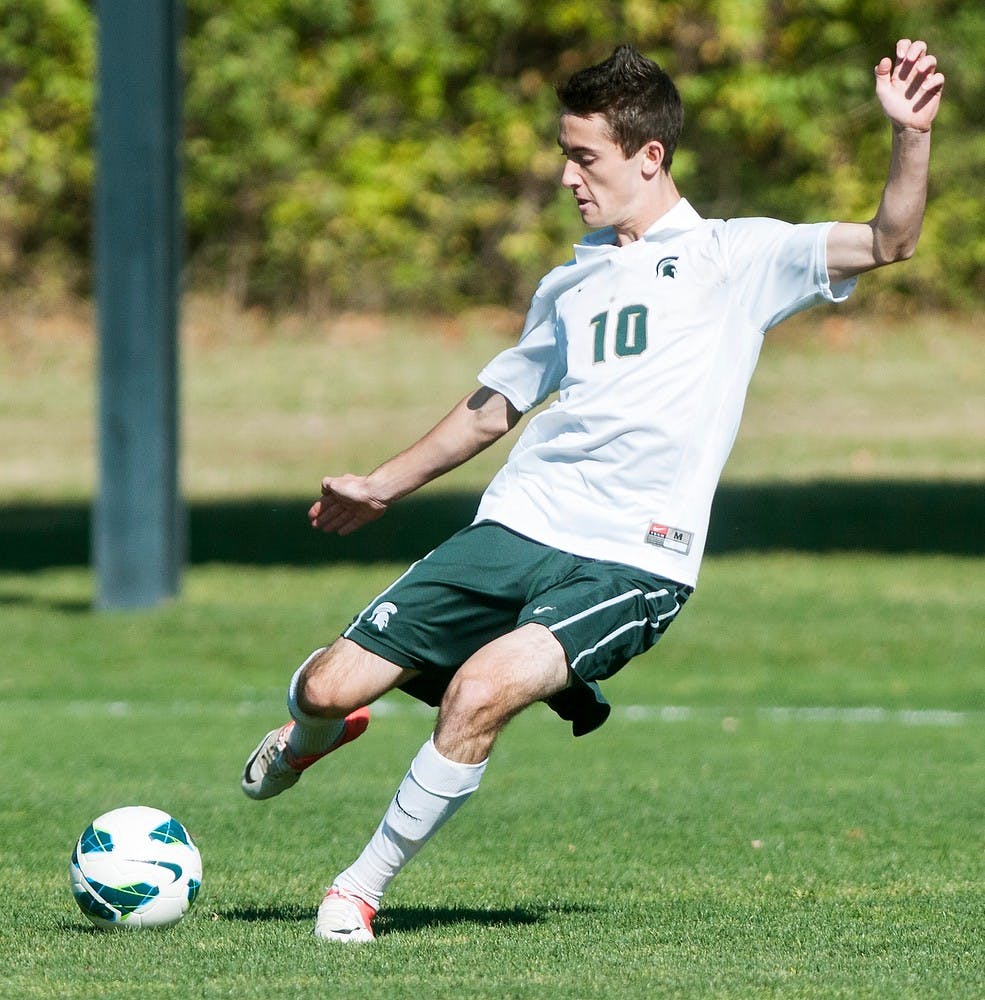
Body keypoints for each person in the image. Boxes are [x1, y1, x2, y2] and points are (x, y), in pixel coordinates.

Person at [242, 39, 944, 942]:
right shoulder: (569, 281)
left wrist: (910, 137)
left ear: (649, 157)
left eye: (585, 158)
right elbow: (494, 410)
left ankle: (357, 889)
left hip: (632, 557)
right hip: (518, 526)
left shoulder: (739, 257)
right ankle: (311, 739)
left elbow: (891, 240)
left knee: (481, 691)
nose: (568, 177)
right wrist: (381, 484)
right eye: (564, 156)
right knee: (325, 687)